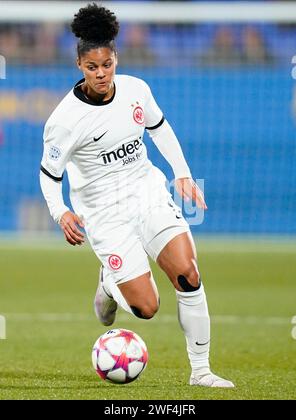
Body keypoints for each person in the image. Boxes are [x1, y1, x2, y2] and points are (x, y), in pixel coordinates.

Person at [40, 3, 234, 388]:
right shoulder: (64, 121)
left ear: (116, 59)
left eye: (107, 64)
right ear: (79, 64)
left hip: (147, 193)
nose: (101, 73)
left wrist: (182, 173)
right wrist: (61, 212)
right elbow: (49, 175)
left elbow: (159, 128)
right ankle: (109, 282)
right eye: (92, 67)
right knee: (147, 308)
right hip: (104, 214)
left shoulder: (136, 89)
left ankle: (201, 372)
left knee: (189, 275)